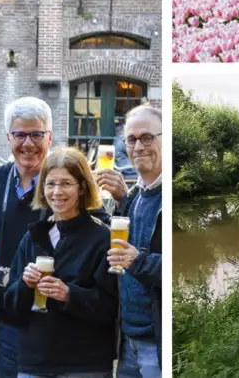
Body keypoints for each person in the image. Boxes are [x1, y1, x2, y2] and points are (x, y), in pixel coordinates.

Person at [4, 147, 119, 378]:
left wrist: (69, 294)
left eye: (66, 183)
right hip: (34, 364)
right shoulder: (33, 237)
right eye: (50, 184)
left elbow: (112, 308)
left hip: (84, 366)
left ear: (83, 187)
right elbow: (11, 309)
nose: (57, 192)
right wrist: (24, 285)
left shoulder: (102, 237)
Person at [0, 97, 54, 378]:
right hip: (7, 314)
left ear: (50, 136)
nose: (28, 144)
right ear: (8, 137)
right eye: (20, 134)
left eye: (37, 134)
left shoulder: (63, 179)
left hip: (52, 317)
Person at [96, 106, 162, 377]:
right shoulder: (135, 196)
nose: (138, 147)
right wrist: (123, 199)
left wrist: (139, 261)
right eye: (131, 140)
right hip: (127, 340)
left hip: (155, 344)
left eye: (147, 138)